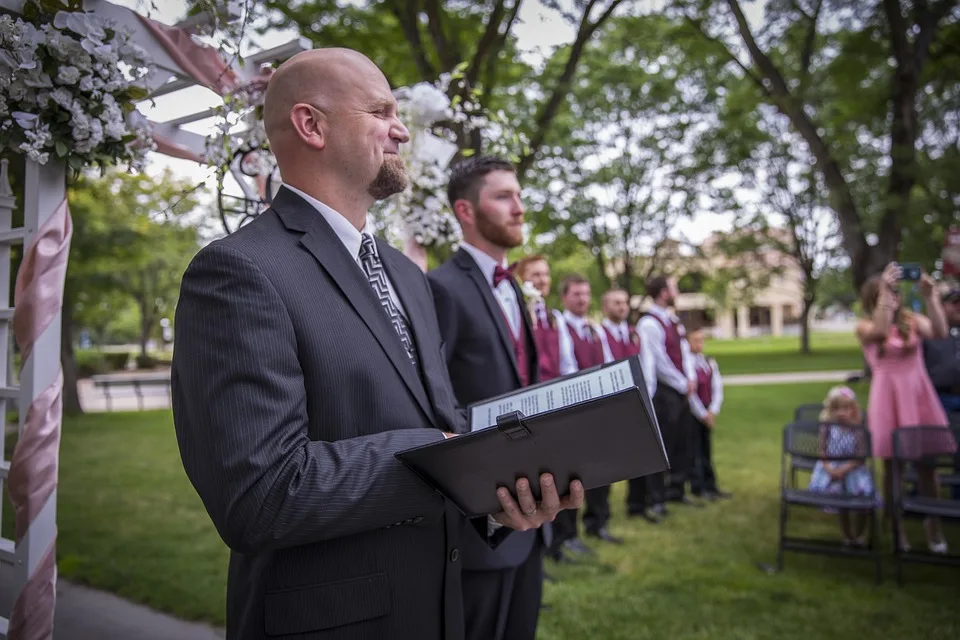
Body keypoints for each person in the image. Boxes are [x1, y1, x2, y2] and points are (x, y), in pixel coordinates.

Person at [170, 48, 582, 640]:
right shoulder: (239, 272)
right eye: (381, 112)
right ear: (312, 126)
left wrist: (498, 491)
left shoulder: (408, 276)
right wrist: (444, 458)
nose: (400, 131)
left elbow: (438, 418)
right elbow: (258, 494)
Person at [428, 156, 551, 640]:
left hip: (534, 517)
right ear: (465, 210)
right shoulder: (441, 288)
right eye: (503, 196)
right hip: (481, 528)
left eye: (519, 196)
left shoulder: (514, 288)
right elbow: (436, 404)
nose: (519, 208)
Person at [856, 262, 953, 553]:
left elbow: (939, 331)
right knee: (893, 468)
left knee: (927, 466)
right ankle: (897, 530)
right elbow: (881, 329)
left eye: (896, 293)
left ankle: (933, 526)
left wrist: (931, 297)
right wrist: (885, 289)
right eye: (887, 294)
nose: (894, 298)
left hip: (918, 395)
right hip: (889, 400)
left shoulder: (911, 320)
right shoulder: (864, 327)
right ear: (874, 298)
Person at [511, 255, 581, 565]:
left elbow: (567, 363)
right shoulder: (517, 313)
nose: (542, 279)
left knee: (564, 473)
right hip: (526, 404)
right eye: (535, 274)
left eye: (546, 274)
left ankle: (562, 540)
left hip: (555, 401)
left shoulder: (555, 318)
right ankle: (536, 550)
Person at [633, 276, 701, 521]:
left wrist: (691, 378)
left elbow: (683, 352)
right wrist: (682, 383)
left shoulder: (673, 320)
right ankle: (656, 498)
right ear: (663, 292)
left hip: (681, 390)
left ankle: (676, 489)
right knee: (661, 446)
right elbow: (659, 361)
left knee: (682, 442)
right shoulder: (649, 324)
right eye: (673, 287)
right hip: (663, 391)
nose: (677, 291)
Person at [806, 386, 876, 547]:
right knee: (841, 503)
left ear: (854, 409)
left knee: (861, 498)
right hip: (831, 468)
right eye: (837, 408)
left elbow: (861, 456)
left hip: (853, 469)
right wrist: (829, 468)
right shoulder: (827, 427)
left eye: (846, 408)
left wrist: (845, 468)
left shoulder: (858, 429)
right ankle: (847, 536)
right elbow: (822, 450)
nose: (841, 413)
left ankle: (859, 535)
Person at [686, 325, 732, 501]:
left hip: (708, 410)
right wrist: (702, 414)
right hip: (694, 413)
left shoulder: (709, 362)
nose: (699, 344)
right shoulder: (687, 363)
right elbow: (690, 393)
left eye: (701, 340)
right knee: (695, 450)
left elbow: (717, 387)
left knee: (707, 450)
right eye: (695, 340)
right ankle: (698, 486)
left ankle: (711, 484)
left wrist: (713, 410)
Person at [922, 287, 960, 498]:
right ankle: (922, 494)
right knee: (930, 448)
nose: (958, 307)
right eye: (953, 302)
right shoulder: (932, 333)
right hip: (938, 398)